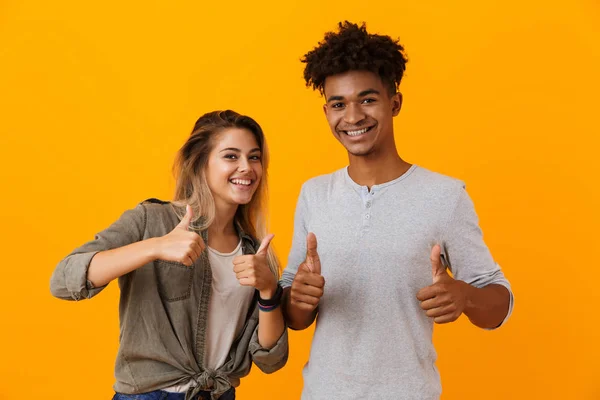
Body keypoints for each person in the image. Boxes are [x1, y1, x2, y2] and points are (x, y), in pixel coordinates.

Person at [280, 21, 514, 400]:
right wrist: (296, 298)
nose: (352, 117)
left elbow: (499, 303)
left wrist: (465, 295)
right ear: (326, 112)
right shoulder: (314, 194)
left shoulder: (445, 195)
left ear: (395, 102)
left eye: (367, 99)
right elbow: (296, 315)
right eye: (338, 104)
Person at [50, 110, 288, 400]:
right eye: (230, 156)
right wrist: (155, 247)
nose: (246, 168)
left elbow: (270, 359)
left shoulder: (255, 250)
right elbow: (63, 280)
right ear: (201, 164)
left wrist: (268, 290)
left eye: (254, 157)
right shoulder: (153, 220)